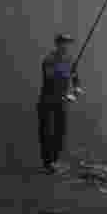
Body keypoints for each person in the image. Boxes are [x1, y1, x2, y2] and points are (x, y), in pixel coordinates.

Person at [37, 33, 80, 174]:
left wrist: (77, 87)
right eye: (64, 43)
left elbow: (74, 74)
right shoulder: (49, 59)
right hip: (47, 100)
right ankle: (47, 164)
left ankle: (54, 161)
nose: (67, 46)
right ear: (57, 44)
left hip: (61, 101)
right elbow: (50, 79)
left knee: (60, 132)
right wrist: (66, 93)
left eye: (68, 43)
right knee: (47, 132)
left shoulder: (69, 59)